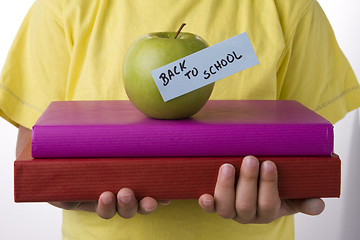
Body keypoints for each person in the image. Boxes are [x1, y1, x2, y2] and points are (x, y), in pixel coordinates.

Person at [1, 0, 360, 239]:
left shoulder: (288, 6)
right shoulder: (64, 5)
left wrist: (289, 195)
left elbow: (311, 148)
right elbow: (32, 157)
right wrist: (67, 189)